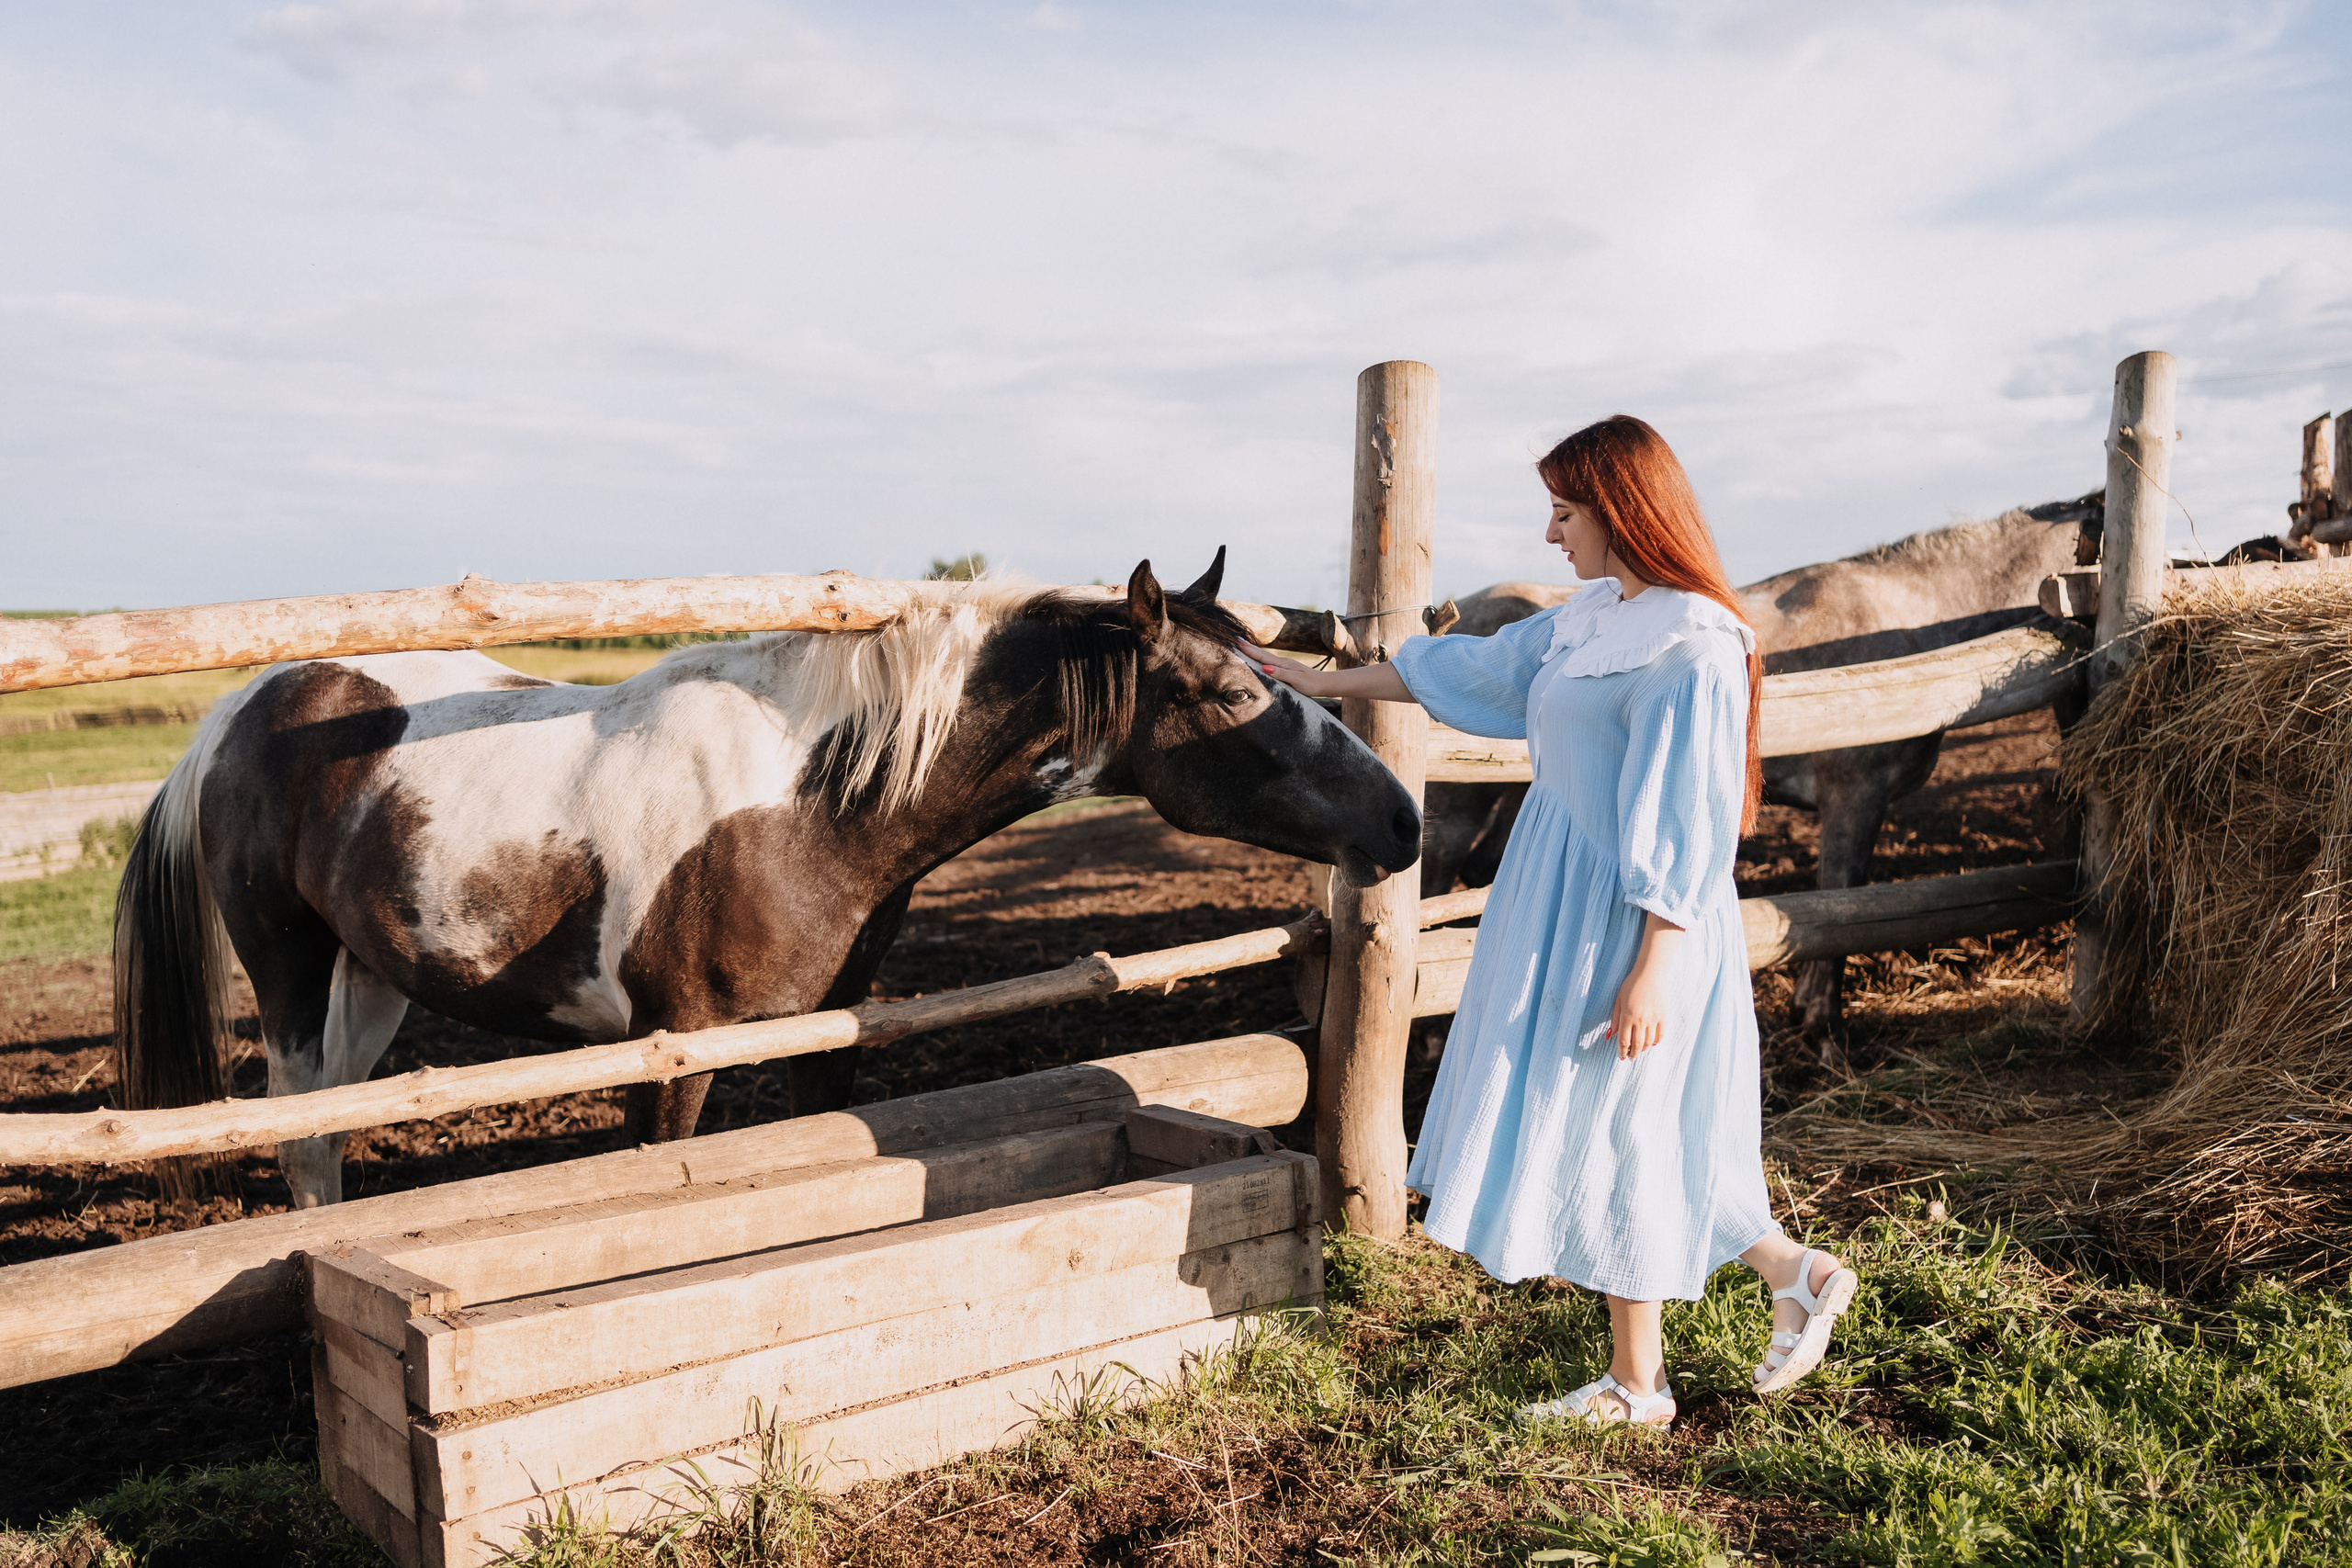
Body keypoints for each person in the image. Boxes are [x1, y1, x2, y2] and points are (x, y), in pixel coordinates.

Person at [1241, 414, 1857, 1427]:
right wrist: (1317, 682)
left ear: (1621, 510)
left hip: (1630, 913)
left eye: (1564, 511)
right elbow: (1465, 671)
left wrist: (1659, 958)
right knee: (1623, 1122)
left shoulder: (1693, 645)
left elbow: (1690, 811)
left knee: (1623, 1122)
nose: (1550, 534)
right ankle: (1768, 1289)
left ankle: (1650, 1375)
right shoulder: (1592, 619)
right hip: (1560, 896)